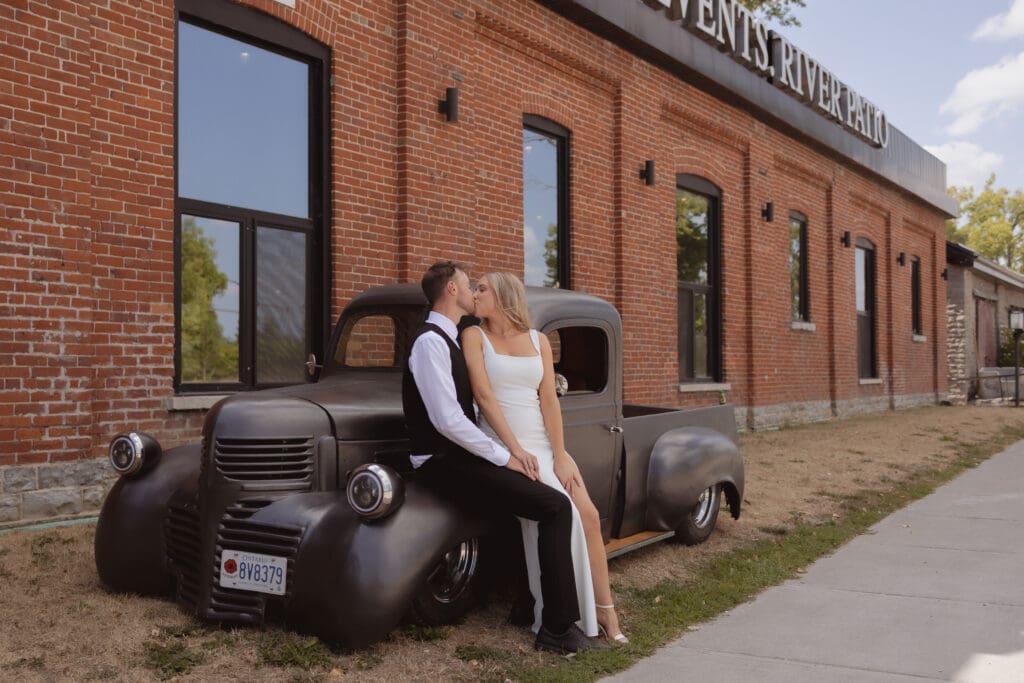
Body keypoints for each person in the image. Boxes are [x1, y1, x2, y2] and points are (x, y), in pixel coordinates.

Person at [401, 261, 608, 655]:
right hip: (440, 463)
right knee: (554, 507)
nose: (472, 292)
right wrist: (505, 456)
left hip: (463, 455)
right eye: (468, 285)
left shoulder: (452, 337)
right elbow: (447, 420)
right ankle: (557, 629)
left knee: (536, 507)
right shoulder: (431, 342)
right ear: (451, 290)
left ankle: (527, 605)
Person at [461, 272, 628, 645]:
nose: (475, 293)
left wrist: (561, 453)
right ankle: (563, 615)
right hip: (505, 444)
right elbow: (483, 396)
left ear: (503, 295)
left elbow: (548, 400)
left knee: (588, 515)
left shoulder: (538, 340)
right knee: (561, 514)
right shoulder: (474, 335)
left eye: (482, 288)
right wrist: (515, 450)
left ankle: (605, 610)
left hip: (543, 443)